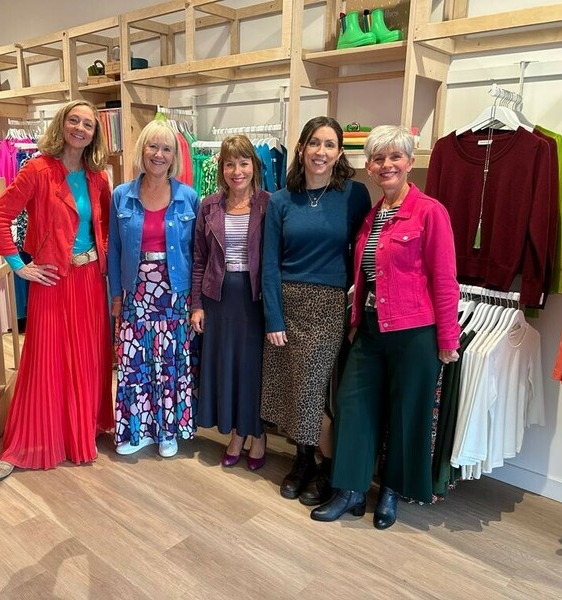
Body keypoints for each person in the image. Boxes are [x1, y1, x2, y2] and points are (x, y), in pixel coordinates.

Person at [310, 125, 460, 529]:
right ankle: (351, 490)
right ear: (370, 167)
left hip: (415, 332)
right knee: (353, 405)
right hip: (372, 328)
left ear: (409, 162)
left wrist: (448, 339)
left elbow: (445, 280)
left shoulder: (430, 212)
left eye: (395, 156)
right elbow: (365, 276)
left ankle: (392, 490)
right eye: (378, 158)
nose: (386, 164)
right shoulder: (373, 216)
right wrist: (356, 321)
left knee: (405, 413)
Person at [0, 99, 114, 482]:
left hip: (90, 281)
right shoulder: (37, 169)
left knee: (88, 359)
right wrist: (19, 265)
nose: (80, 128)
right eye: (74, 120)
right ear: (62, 124)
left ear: (94, 134)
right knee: (45, 360)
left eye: (88, 124)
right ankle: (27, 441)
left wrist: (107, 261)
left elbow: (106, 227)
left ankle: (81, 432)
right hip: (52, 279)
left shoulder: (98, 178)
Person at [262, 116, 371, 505]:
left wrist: (357, 310)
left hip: (328, 304)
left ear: (339, 153)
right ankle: (303, 459)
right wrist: (273, 317)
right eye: (314, 143)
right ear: (301, 148)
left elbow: (363, 254)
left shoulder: (354, 195)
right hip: (287, 301)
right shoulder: (280, 200)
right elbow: (270, 263)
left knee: (311, 390)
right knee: (289, 386)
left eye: (329, 145)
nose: (320, 152)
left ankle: (328, 467)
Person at [108, 120, 200, 459]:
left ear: (174, 156)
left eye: (166, 149)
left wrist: (196, 301)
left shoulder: (188, 197)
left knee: (170, 362)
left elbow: (198, 254)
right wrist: (116, 295)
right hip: (135, 289)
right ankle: (137, 430)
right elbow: (114, 249)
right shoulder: (122, 195)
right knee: (134, 362)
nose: (159, 154)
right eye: (153, 147)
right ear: (142, 150)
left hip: (175, 290)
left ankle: (167, 431)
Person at [191, 136, 270, 470]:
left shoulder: (269, 204)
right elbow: (199, 259)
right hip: (219, 298)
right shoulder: (209, 205)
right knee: (227, 367)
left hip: (254, 299)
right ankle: (237, 433)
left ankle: (256, 434)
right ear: (221, 168)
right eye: (229, 164)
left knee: (251, 369)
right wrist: (197, 305)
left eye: (243, 163)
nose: (237, 171)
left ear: (254, 165)